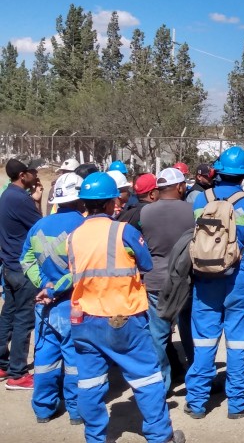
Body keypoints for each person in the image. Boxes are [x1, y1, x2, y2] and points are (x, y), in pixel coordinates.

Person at [67, 172, 184, 443]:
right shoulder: (123, 231)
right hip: (123, 318)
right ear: (110, 203)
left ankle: (95, 437)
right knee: (146, 378)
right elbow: (146, 264)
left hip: (85, 319)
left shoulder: (74, 236)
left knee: (90, 383)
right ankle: (160, 435)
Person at [184, 146, 244, 420]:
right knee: (239, 343)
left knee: (204, 342)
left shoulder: (198, 201)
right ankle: (238, 403)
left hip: (205, 278)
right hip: (239, 277)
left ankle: (196, 402)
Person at [20, 172, 85, 423]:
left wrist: (43, 285)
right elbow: (80, 270)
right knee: (74, 360)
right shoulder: (82, 226)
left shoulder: (39, 225)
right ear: (81, 199)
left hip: (44, 307)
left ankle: (43, 410)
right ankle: (76, 411)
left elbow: (25, 260)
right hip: (71, 304)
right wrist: (55, 288)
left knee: (45, 359)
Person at [139, 167, 195, 391]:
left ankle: (161, 385)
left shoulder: (145, 213)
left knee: (158, 334)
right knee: (191, 331)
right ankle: (196, 380)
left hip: (155, 280)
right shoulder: (191, 211)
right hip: (186, 278)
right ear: (180, 187)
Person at [0, 158, 43, 389]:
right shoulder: (21, 199)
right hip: (22, 269)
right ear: (23, 175)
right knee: (23, 321)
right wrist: (37, 201)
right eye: (32, 172)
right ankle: (17, 374)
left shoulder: (7, 195)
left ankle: (3, 364)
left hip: (9, 265)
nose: (35, 176)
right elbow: (42, 229)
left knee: (8, 315)